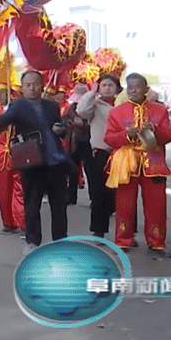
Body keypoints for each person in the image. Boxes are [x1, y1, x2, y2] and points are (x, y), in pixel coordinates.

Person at [0, 70, 71, 256]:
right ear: (23, 87)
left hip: (55, 160)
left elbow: (61, 126)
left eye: (35, 84)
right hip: (32, 160)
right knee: (32, 203)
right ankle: (33, 240)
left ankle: (61, 240)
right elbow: (4, 120)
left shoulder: (51, 106)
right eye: (28, 85)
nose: (32, 88)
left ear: (42, 85)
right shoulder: (18, 106)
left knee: (59, 205)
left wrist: (61, 129)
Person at [104, 73, 171, 257]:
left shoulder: (160, 110)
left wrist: (156, 130)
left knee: (157, 206)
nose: (133, 90)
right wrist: (127, 135)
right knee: (124, 204)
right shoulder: (116, 112)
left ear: (146, 89)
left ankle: (157, 243)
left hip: (154, 162)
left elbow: (169, 135)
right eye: (130, 87)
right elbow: (109, 138)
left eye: (137, 86)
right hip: (127, 164)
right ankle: (123, 241)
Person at [76, 74, 122, 239]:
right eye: (104, 85)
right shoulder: (95, 105)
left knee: (121, 192)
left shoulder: (123, 105)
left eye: (111, 85)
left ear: (117, 88)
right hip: (101, 151)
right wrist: (91, 93)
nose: (108, 88)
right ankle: (99, 229)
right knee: (99, 192)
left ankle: (126, 232)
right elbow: (81, 111)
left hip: (122, 153)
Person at [0, 83, 25, 234]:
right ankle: (8, 222)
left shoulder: (20, 107)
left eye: (3, 93)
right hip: (0, 153)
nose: (0, 97)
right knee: (3, 190)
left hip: (18, 150)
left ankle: (22, 222)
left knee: (20, 188)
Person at [63, 84, 92, 204]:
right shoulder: (71, 108)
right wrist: (68, 123)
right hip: (73, 142)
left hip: (88, 141)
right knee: (73, 170)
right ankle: (71, 197)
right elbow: (64, 120)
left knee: (90, 171)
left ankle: (93, 198)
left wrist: (83, 125)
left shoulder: (91, 108)